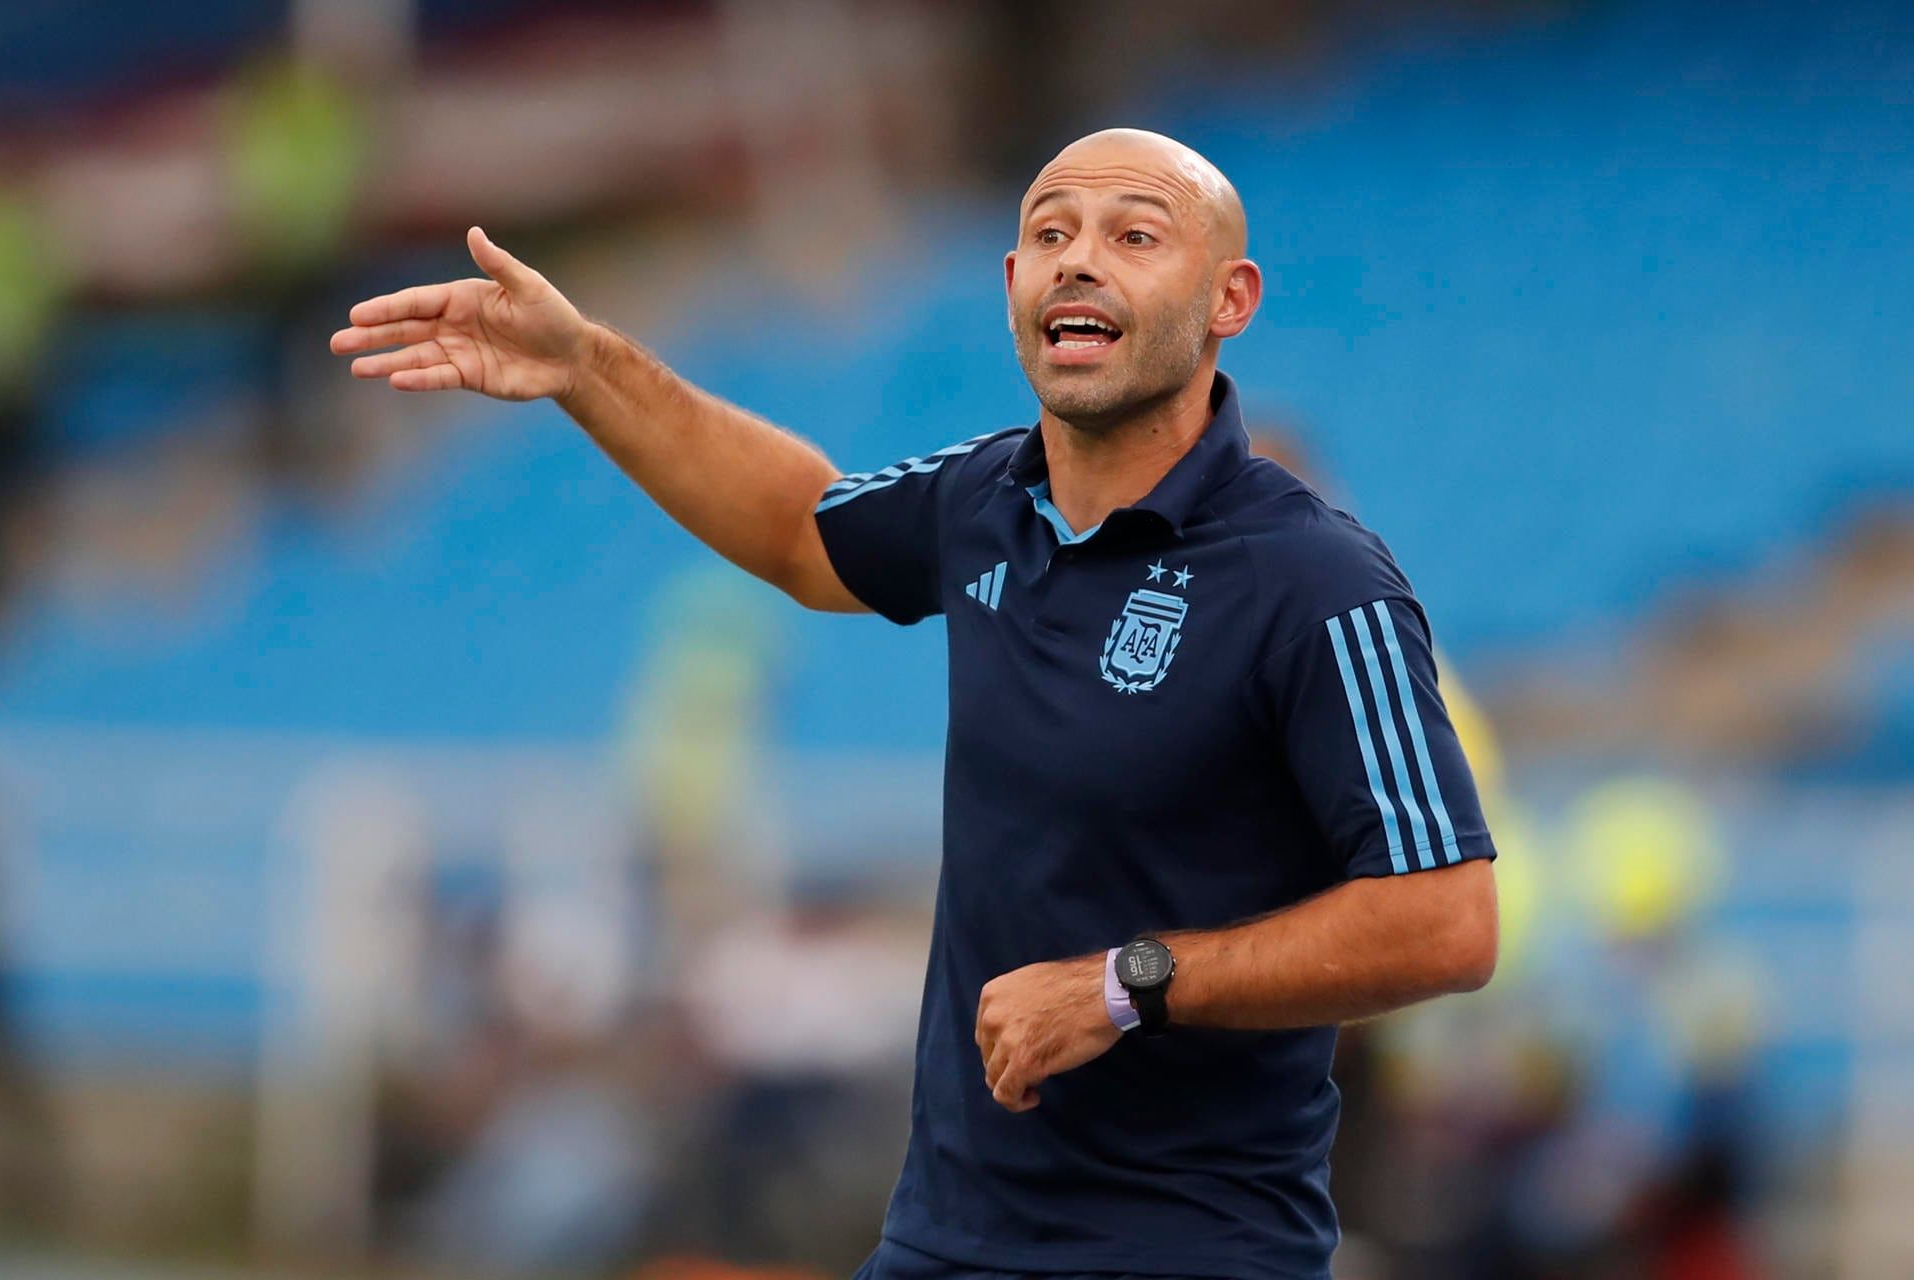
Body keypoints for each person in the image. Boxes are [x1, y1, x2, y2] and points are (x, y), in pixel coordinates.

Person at [332, 128, 1500, 1280]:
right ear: (1012, 287)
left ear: (1228, 298)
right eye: (1050, 233)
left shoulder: (1319, 583)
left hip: (1183, 1250)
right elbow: (801, 525)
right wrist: (586, 367)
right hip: (946, 1238)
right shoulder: (986, 496)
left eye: (1133, 234)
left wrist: (1126, 981)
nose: (1079, 258)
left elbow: (1448, 918)